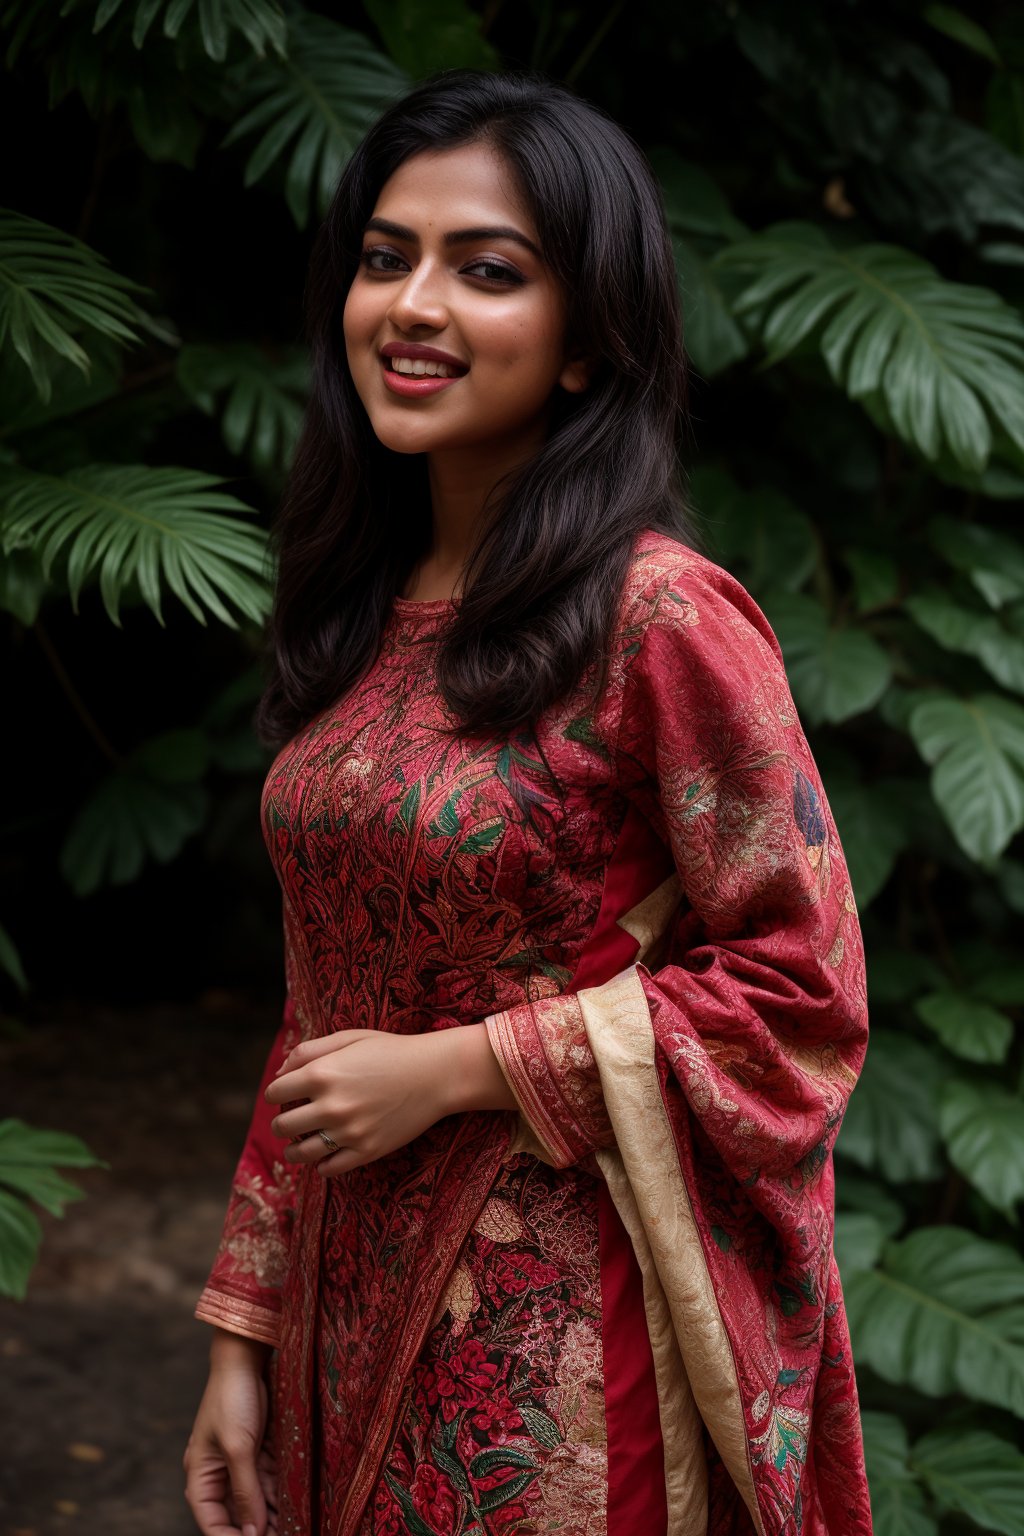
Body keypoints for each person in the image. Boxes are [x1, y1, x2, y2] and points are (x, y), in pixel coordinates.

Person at [184, 69, 872, 1536]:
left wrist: (459, 1069)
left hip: (555, 1349)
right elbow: (323, 1000)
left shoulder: (664, 619)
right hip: (341, 1310)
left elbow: (803, 992)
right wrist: (242, 1332)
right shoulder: (362, 614)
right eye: (386, 258)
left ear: (584, 343)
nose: (413, 306)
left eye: (486, 271)